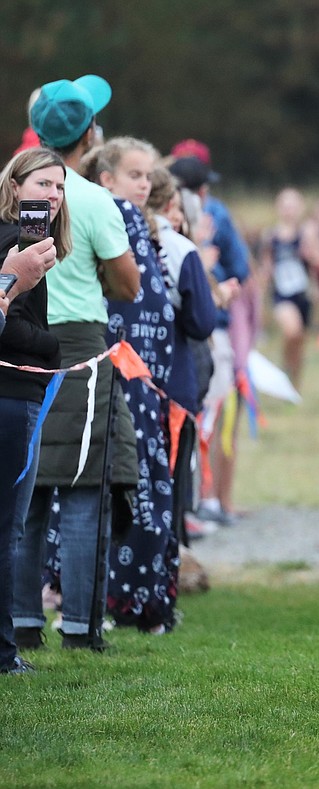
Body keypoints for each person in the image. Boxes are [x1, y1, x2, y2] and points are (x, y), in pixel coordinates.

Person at [14, 76, 141, 652]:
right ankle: (82, 628)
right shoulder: (93, 199)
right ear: (90, 134)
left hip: (15, 344)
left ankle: (19, 620)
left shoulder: (10, 190)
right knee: (85, 488)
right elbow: (127, 283)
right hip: (82, 347)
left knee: (27, 488)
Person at [85, 137, 181, 634]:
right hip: (126, 378)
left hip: (146, 382)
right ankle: (126, 601)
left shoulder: (140, 225)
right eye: (134, 174)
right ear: (107, 179)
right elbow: (130, 300)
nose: (144, 184)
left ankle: (136, 599)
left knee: (140, 485)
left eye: (148, 176)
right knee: (132, 486)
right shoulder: (113, 217)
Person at [0, 151, 63, 672]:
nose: (53, 195)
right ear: (15, 186)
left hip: (19, 392)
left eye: (61, 187)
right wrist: (52, 348)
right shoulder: (16, 245)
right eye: (43, 183)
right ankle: (4, 651)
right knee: (9, 527)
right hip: (13, 392)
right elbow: (11, 324)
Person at [168, 142, 250, 528]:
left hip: (169, 332)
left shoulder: (150, 214)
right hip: (208, 330)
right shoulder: (213, 213)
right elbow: (240, 269)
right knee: (208, 417)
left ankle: (198, 504)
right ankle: (204, 504)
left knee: (197, 417)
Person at [145, 164, 217, 545]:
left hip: (128, 377)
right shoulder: (180, 248)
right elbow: (203, 322)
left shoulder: (122, 236)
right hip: (174, 377)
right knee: (171, 480)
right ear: (172, 202)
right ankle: (167, 570)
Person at [258, 187, 319, 389]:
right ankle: (286, 370)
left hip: (304, 293)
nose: (289, 210)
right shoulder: (270, 236)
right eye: (285, 206)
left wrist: (311, 255)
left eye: (293, 206)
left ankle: (293, 381)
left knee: (299, 339)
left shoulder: (308, 233)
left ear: (301, 208)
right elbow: (266, 267)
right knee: (292, 331)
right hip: (282, 295)